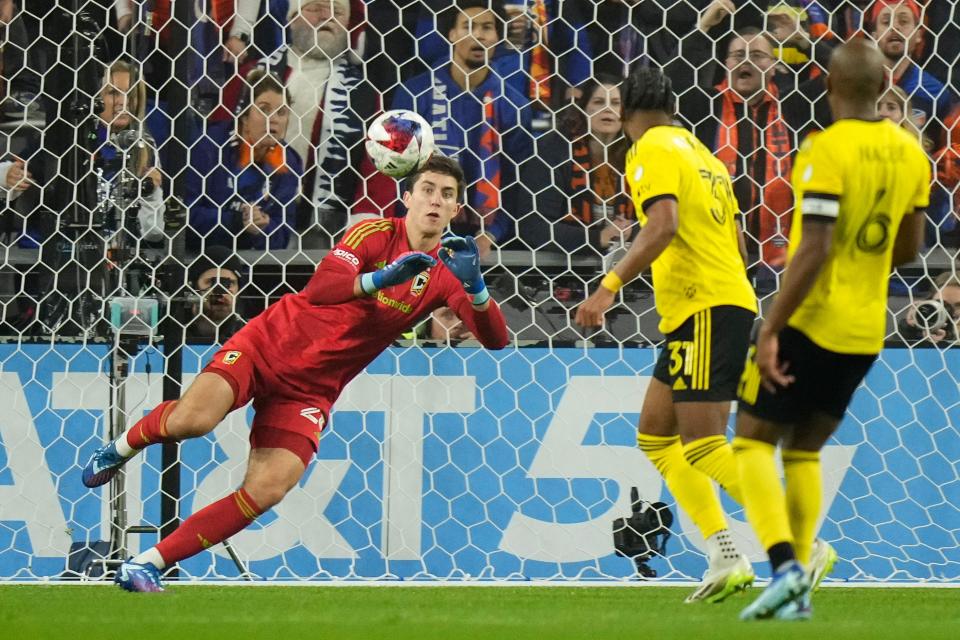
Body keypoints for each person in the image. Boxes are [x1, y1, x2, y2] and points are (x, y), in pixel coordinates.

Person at [81, 155, 509, 592]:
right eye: (428, 190)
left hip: (311, 390)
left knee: (268, 488)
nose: (436, 200)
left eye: (448, 195)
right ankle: (118, 448)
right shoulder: (375, 233)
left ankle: (146, 564)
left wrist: (475, 289)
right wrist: (380, 278)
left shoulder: (449, 269)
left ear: (457, 209)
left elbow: (495, 340)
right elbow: (321, 288)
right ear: (407, 197)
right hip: (268, 344)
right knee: (194, 421)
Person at [733, 39, 929, 621]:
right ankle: (798, 591)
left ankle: (786, 568)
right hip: (867, 330)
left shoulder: (824, 149)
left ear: (831, 88)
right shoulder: (911, 153)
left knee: (749, 442)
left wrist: (771, 326)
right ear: (881, 87)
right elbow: (910, 248)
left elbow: (814, 246)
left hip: (813, 321)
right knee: (805, 452)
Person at [575, 65, 759, 604]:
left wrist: (608, 286)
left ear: (628, 114)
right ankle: (725, 552)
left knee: (703, 444)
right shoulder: (700, 152)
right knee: (656, 436)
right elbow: (738, 238)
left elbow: (664, 225)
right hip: (708, 306)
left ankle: (799, 540)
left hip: (705, 307)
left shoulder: (648, 149)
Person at [392, 0, 534, 255]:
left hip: (484, 236)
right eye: (468, 26)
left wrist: (492, 233)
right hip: (416, 230)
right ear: (452, 34)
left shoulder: (515, 105)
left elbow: (517, 183)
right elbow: (396, 170)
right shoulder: (414, 94)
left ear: (498, 37)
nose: (478, 34)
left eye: (487, 27)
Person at [518, 74, 636, 256]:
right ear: (584, 109)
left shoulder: (638, 155)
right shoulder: (554, 151)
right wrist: (597, 238)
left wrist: (632, 232)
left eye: (615, 103)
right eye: (598, 102)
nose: (607, 109)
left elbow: (662, 220)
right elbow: (533, 226)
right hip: (561, 269)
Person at [187, 68, 301, 252]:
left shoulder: (289, 161)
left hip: (259, 269)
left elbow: (284, 234)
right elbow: (186, 216)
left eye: (281, 113)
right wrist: (237, 222)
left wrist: (263, 228)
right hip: (204, 259)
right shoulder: (206, 147)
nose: (273, 119)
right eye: (264, 109)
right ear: (244, 116)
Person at [185, 246, 247, 343]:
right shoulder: (171, 330)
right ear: (194, 287)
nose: (220, 291)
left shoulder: (247, 335)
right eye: (211, 282)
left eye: (228, 283)